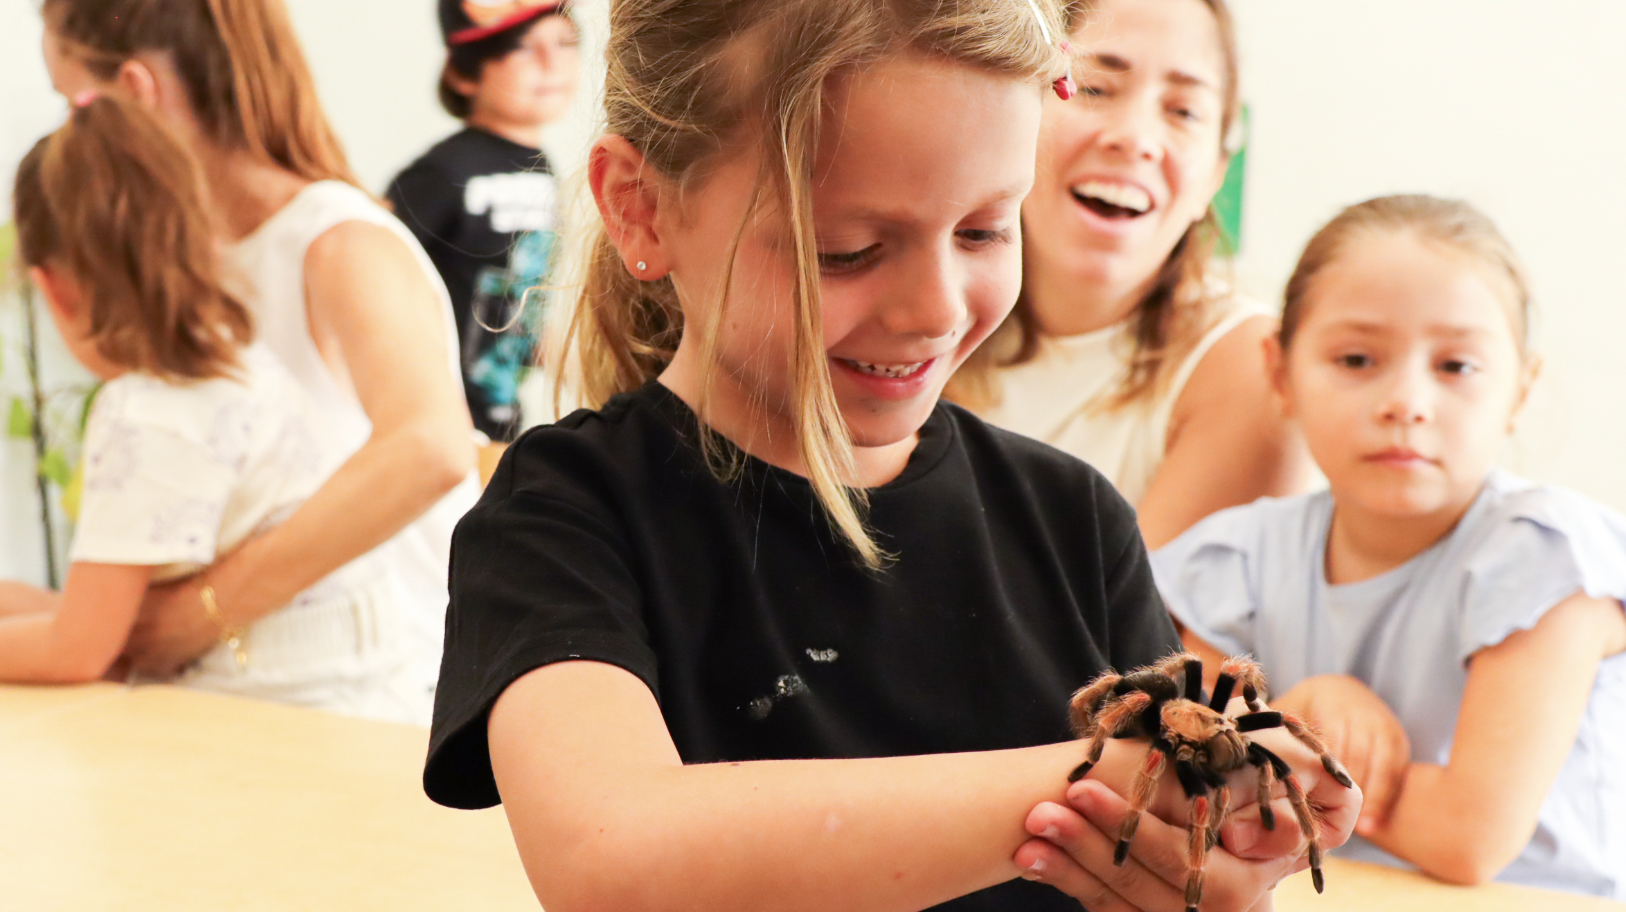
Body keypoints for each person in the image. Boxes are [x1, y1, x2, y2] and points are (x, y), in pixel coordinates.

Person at [422, 2, 1359, 911]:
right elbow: (614, 861)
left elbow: (1175, 869)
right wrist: (1103, 781)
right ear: (640, 209)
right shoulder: (564, 515)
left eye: (986, 230)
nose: (937, 309)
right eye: (848, 249)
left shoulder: (1074, 519)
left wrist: (1217, 848)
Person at [1156, 195, 1626, 897]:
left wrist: (1291, 738)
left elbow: (1472, 838)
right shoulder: (1238, 558)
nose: (1406, 401)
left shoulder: (1545, 553)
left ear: (1520, 390)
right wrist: (1308, 714)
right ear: (1280, 373)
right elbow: (1197, 786)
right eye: (1356, 358)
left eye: (1456, 367)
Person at [38, 0, 479, 680]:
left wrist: (195, 616)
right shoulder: (188, 267)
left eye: (73, 103)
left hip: (383, 689)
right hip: (240, 681)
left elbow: (431, 448)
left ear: (135, 90)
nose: (70, 131)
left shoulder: (338, 243)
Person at [0, 96, 437, 723]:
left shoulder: (146, 413)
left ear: (54, 289)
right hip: (372, 699)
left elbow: (79, 648)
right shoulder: (243, 367)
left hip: (269, 719)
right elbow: (93, 612)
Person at [948, 0, 1311, 548]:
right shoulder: (926, 306)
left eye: (1184, 111)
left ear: (1216, 171)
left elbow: (1139, 632)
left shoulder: (1252, 368)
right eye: (1093, 88)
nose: (1136, 138)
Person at [387, 0, 581, 441]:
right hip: (437, 427)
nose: (552, 63)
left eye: (566, 43)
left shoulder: (543, 170)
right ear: (464, 73)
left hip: (500, 421)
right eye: (522, 48)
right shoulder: (442, 172)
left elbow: (528, 302)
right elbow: (370, 277)